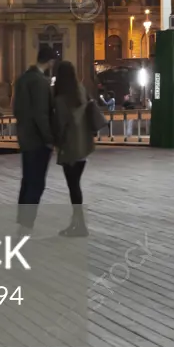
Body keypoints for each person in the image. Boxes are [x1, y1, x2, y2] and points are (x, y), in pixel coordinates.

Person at [52, 60, 106, 237]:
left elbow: (60, 125)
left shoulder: (61, 99)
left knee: (73, 187)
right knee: (75, 186)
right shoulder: (81, 91)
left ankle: (80, 224)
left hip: (70, 148)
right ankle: (77, 223)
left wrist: (55, 142)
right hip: (84, 146)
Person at [13, 44, 56, 229]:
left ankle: (22, 217)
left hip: (25, 137)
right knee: (37, 182)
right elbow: (41, 114)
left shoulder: (22, 79)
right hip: (38, 139)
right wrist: (49, 138)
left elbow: (16, 108)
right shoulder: (40, 81)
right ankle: (28, 221)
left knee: (27, 179)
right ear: (50, 61)